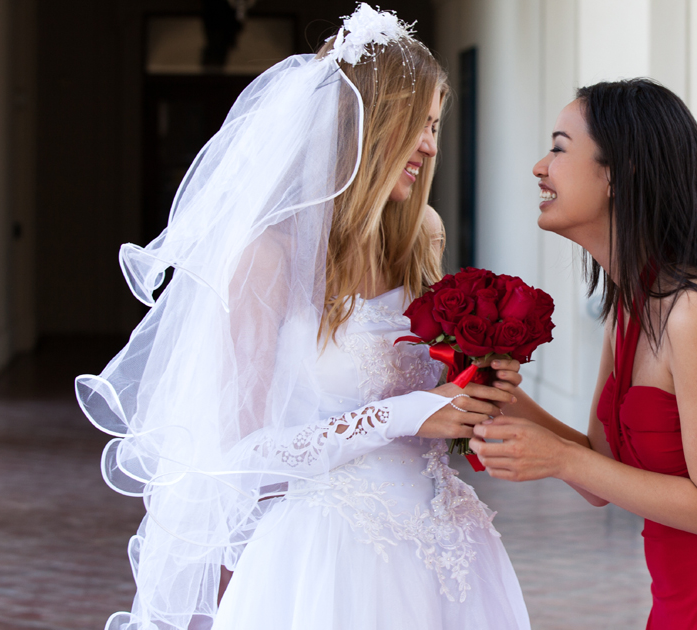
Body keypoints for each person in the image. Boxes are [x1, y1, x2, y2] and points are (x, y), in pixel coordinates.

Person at [76, 5, 530, 630]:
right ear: (362, 124)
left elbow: (432, 390)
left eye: (434, 126)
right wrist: (398, 416)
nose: (429, 146)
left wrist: (474, 389)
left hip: (448, 542)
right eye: (415, 124)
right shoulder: (268, 258)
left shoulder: (420, 235)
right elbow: (243, 456)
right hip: (331, 551)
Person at [471, 79, 697, 628]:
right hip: (679, 605)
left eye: (561, 147)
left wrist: (560, 458)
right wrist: (506, 396)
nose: (541, 166)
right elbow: (602, 473)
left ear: (620, 171)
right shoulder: (633, 305)